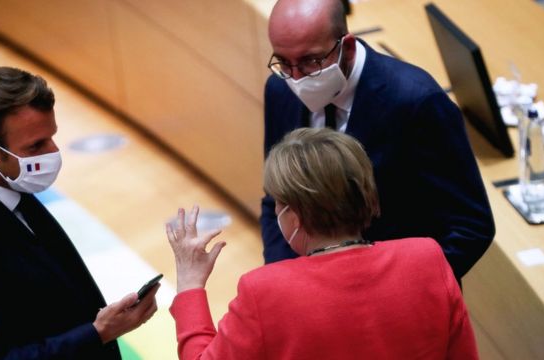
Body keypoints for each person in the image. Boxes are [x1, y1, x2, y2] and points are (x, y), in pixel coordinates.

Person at [167, 127, 478, 359]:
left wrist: (191, 286)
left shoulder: (264, 292)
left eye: (276, 202)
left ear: (295, 214)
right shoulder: (427, 258)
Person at [0, 67, 159, 359]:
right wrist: (98, 332)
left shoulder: (12, 186)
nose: (53, 151)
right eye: (36, 145)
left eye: (52, 137)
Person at [260, 0, 495, 279]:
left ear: (346, 47)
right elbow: (276, 198)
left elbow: (471, 225)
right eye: (284, 63)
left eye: (311, 61)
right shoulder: (280, 90)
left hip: (399, 296)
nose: (296, 78)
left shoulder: (416, 103)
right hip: (313, 295)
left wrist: (404, 291)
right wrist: (283, 280)